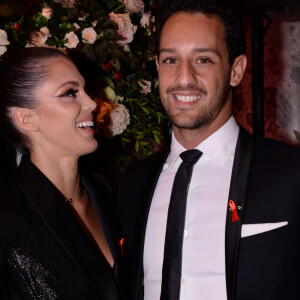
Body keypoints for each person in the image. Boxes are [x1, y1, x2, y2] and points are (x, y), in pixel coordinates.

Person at [118, 0, 300, 299]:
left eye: (203, 60)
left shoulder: (290, 173)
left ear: (236, 70)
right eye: (170, 60)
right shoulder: (133, 184)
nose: (184, 78)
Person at [0, 47, 129, 299]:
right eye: (70, 93)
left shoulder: (103, 190)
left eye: (84, 89)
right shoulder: (7, 216)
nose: (92, 102)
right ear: (27, 119)